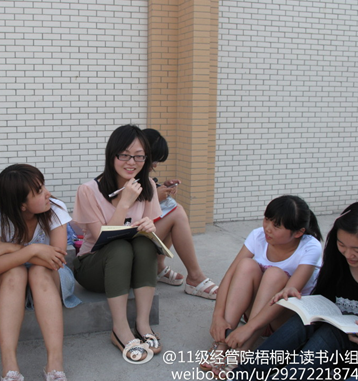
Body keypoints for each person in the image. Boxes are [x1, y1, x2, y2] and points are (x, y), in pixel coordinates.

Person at [228, 203, 358, 381]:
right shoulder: (338, 262)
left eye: (356, 250)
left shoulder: (312, 248)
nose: (348, 254)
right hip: (335, 334)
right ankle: (244, 372)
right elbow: (324, 299)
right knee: (305, 321)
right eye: (341, 245)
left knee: (328, 334)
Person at [201, 195, 323, 378]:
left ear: (298, 233)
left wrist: (249, 328)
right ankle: (223, 342)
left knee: (274, 274)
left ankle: (243, 349)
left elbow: (287, 295)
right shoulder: (258, 236)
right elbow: (230, 276)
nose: (268, 228)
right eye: (267, 219)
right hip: (254, 312)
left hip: (282, 319)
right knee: (245, 265)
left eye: (277, 226)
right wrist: (217, 316)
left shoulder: (310, 247)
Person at [72, 124, 163, 363]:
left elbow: (149, 227)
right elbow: (103, 239)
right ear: (111, 154)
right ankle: (119, 329)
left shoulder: (148, 186)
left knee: (144, 244)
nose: (132, 162)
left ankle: (142, 324)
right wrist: (124, 203)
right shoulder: (88, 190)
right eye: (124, 155)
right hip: (93, 267)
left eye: (139, 156)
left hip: (127, 269)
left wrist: (150, 227)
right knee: (119, 246)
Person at [0, 164, 80, 381]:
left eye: (43, 186)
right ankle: (9, 365)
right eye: (39, 191)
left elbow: (56, 261)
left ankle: (54, 362)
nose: (48, 193)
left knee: (38, 272)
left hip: (50, 278)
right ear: (21, 205)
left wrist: (8, 249)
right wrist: (32, 250)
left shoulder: (55, 208)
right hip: (9, 282)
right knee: (15, 272)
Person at [142, 128, 218, 299]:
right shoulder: (126, 174)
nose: (155, 165)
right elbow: (130, 210)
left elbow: (142, 196)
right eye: (155, 160)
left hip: (136, 233)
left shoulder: (138, 173)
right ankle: (195, 277)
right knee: (176, 213)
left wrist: (161, 188)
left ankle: (158, 267)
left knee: (173, 212)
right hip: (127, 241)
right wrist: (155, 197)